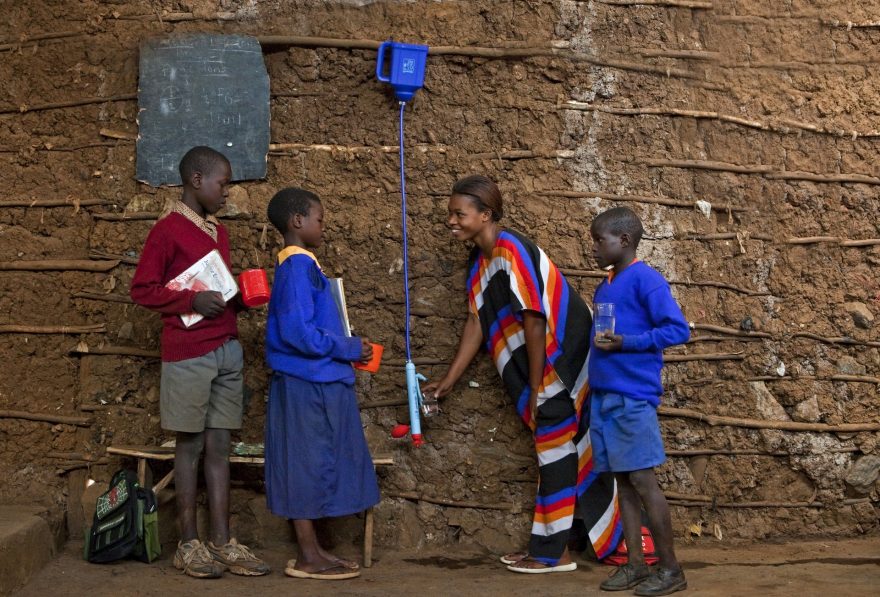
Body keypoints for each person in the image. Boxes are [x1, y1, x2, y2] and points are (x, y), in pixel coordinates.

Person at [424, 175, 621, 574]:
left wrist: (536, 385)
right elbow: (477, 322)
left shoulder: (511, 249)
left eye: (459, 214)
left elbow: (534, 317)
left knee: (554, 447)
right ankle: (550, 546)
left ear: (485, 214)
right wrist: (448, 380)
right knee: (555, 449)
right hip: (543, 365)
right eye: (451, 214)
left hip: (559, 359)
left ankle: (554, 553)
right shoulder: (479, 262)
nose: (451, 221)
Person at [130, 146, 269, 578]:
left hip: (225, 348)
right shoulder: (167, 231)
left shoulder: (217, 233)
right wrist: (192, 299)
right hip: (188, 354)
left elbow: (215, 294)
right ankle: (188, 543)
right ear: (196, 180)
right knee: (188, 447)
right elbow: (143, 290)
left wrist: (239, 302)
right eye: (221, 184)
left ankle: (222, 540)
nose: (226, 192)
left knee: (220, 446)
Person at [264, 187, 381, 580]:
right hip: (305, 383)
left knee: (314, 462)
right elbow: (299, 332)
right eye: (319, 219)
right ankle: (308, 556)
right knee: (304, 465)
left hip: (316, 381)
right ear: (298, 222)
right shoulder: (296, 268)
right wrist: (347, 347)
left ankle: (314, 550)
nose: (323, 226)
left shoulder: (304, 266)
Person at [588, 206, 690, 595]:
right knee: (623, 485)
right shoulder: (608, 283)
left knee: (644, 481)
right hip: (606, 397)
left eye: (600, 241)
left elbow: (677, 330)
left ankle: (671, 569)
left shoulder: (647, 280)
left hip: (632, 398)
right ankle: (636, 565)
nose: (595, 248)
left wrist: (629, 343)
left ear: (624, 241)